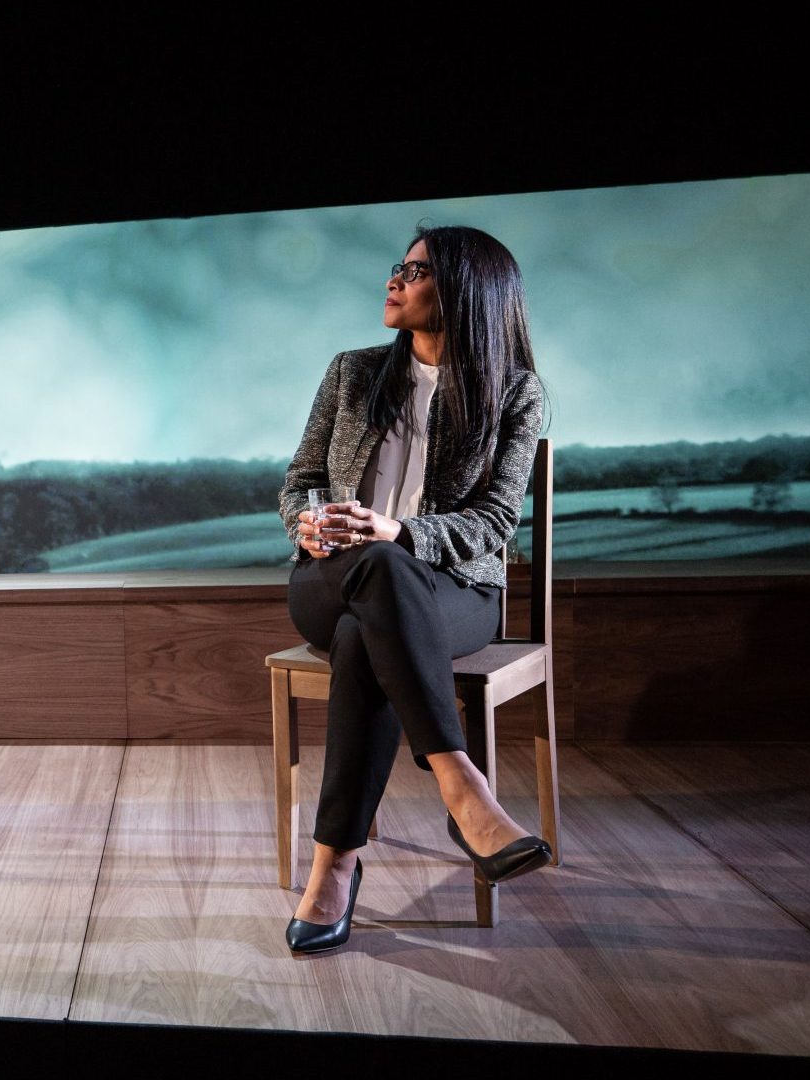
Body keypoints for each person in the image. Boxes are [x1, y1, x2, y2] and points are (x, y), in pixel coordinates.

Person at [278, 225, 550, 953]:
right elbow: (301, 481)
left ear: (465, 290)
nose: (394, 279)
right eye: (397, 266)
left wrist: (402, 535)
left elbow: (495, 521)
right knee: (371, 583)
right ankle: (465, 792)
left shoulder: (515, 393)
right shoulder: (352, 373)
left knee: (368, 622)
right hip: (328, 578)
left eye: (416, 270)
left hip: (453, 591)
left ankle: (332, 868)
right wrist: (306, 524)